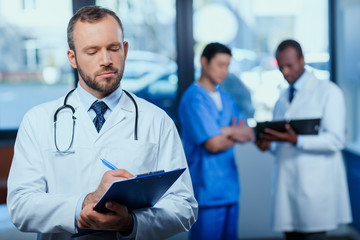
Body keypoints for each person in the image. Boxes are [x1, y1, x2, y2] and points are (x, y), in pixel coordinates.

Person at [7, 6, 197, 240]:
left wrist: (131, 223)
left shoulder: (157, 121)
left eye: (113, 48)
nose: (106, 60)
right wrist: (85, 204)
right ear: (73, 58)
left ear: (125, 50)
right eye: (92, 51)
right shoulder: (38, 121)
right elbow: (20, 206)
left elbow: (184, 207)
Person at [256, 39, 352, 240]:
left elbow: (336, 140)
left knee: (313, 235)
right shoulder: (282, 97)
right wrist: (268, 145)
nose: (285, 71)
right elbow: (279, 140)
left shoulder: (329, 92)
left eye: (290, 65)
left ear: (302, 60)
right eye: (281, 66)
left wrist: (297, 140)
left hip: (315, 189)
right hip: (287, 187)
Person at [178, 42, 254, 240]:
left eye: (228, 65)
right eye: (220, 64)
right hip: (206, 192)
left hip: (229, 189)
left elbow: (248, 133)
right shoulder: (193, 99)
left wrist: (224, 131)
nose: (225, 71)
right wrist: (233, 131)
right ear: (204, 62)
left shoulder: (227, 98)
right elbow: (213, 144)